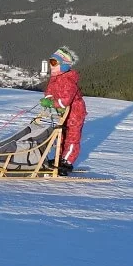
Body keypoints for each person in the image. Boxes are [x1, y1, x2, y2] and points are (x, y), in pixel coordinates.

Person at [40, 46, 87, 175]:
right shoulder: (55, 78)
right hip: (63, 112)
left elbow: (65, 100)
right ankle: (58, 159)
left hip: (75, 112)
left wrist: (52, 103)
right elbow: (49, 92)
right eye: (50, 62)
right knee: (60, 136)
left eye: (54, 63)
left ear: (64, 65)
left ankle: (67, 162)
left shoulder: (68, 81)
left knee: (72, 137)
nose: (51, 66)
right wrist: (48, 100)